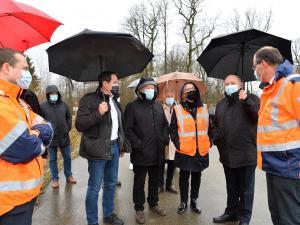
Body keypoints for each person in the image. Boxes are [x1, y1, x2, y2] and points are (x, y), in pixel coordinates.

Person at [0, 48, 53, 225]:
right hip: (9, 203)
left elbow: (48, 126)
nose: (27, 73)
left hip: (25, 196)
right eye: (24, 68)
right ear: (7, 68)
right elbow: (26, 148)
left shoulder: (19, 101)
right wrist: (37, 134)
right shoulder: (2, 103)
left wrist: (34, 133)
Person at [253, 46, 300, 225]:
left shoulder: (293, 83)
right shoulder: (269, 90)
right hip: (273, 165)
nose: (254, 71)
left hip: (289, 166)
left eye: (254, 66)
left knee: (290, 218)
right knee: (278, 216)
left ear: (263, 64)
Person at [76, 71, 126, 225]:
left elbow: (118, 126)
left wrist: (122, 145)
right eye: (116, 82)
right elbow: (79, 125)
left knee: (110, 184)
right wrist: (98, 113)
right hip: (97, 150)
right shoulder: (88, 100)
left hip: (114, 148)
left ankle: (108, 214)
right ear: (105, 83)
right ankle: (92, 221)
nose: (118, 85)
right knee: (94, 187)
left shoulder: (115, 101)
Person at [212, 75, 259, 225]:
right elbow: (214, 124)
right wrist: (216, 138)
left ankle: (244, 218)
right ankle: (231, 212)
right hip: (227, 154)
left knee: (246, 190)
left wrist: (246, 101)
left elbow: (258, 117)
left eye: (233, 83)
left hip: (246, 154)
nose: (229, 85)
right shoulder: (221, 104)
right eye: (226, 83)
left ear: (242, 84)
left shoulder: (252, 99)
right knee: (231, 188)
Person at [124, 77, 169, 224]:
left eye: (153, 87)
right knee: (139, 182)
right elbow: (128, 129)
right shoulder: (132, 107)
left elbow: (164, 124)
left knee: (155, 181)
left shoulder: (158, 105)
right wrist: (138, 145)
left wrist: (163, 138)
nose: (151, 90)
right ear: (140, 89)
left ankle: (153, 203)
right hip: (141, 154)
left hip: (157, 153)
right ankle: (139, 208)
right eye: (148, 87)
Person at [169, 82, 212, 215]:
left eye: (192, 89)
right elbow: (173, 129)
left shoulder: (204, 108)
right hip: (185, 150)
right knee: (184, 176)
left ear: (196, 91)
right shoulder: (177, 109)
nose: (190, 91)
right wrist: (178, 144)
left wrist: (210, 141)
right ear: (183, 94)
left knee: (197, 176)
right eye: (187, 89)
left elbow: (212, 127)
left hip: (200, 150)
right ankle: (183, 202)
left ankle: (194, 200)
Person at [40, 85, 76, 188]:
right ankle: (55, 179)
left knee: (67, 157)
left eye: (55, 93)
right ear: (48, 95)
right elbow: (40, 121)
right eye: (51, 94)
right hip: (51, 138)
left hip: (64, 136)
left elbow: (69, 117)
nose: (54, 95)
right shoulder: (43, 107)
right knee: (52, 159)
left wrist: (68, 127)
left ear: (58, 94)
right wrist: (45, 134)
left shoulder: (64, 105)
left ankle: (69, 176)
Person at [158, 88, 178, 194]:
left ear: (175, 96)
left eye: (172, 95)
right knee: (160, 164)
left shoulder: (178, 109)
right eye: (168, 95)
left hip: (174, 141)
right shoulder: (159, 108)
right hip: (163, 140)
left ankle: (169, 184)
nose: (170, 97)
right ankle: (160, 184)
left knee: (172, 163)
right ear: (164, 96)